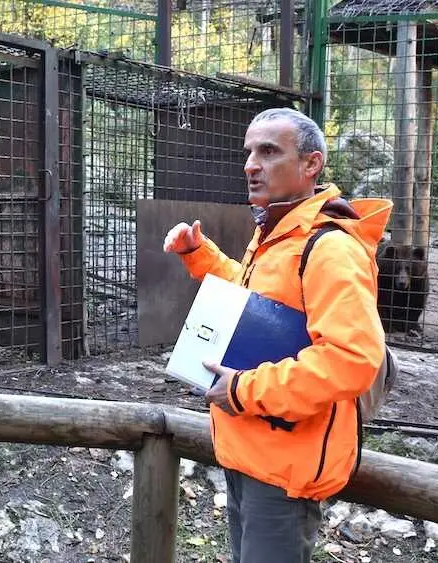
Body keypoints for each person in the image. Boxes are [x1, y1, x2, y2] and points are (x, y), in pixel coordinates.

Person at [163, 107, 391, 562]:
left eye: (269, 151)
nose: (251, 164)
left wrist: (246, 389)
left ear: (311, 165)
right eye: (249, 152)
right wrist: (201, 255)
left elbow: (352, 359)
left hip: (285, 469)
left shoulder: (330, 248)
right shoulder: (277, 230)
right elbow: (259, 304)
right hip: (248, 449)